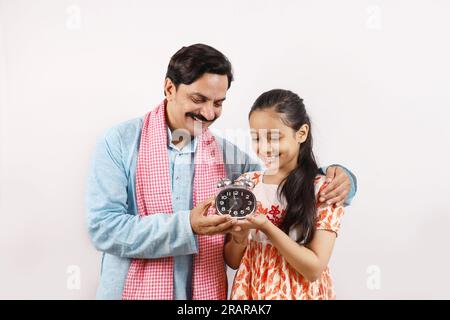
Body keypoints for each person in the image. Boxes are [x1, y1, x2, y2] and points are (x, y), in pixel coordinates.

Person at [86, 44, 357, 300]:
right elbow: (104, 228)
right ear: (169, 88)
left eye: (218, 103)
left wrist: (343, 177)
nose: (208, 112)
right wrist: (188, 225)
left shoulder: (229, 158)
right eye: (198, 99)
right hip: (131, 291)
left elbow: (281, 179)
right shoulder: (120, 143)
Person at [227, 89, 346, 299]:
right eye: (256, 138)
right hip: (251, 292)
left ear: (301, 133)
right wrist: (238, 238)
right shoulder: (246, 185)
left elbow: (314, 269)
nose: (264, 148)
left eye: (274, 138)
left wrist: (266, 227)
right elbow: (234, 261)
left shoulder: (323, 190)